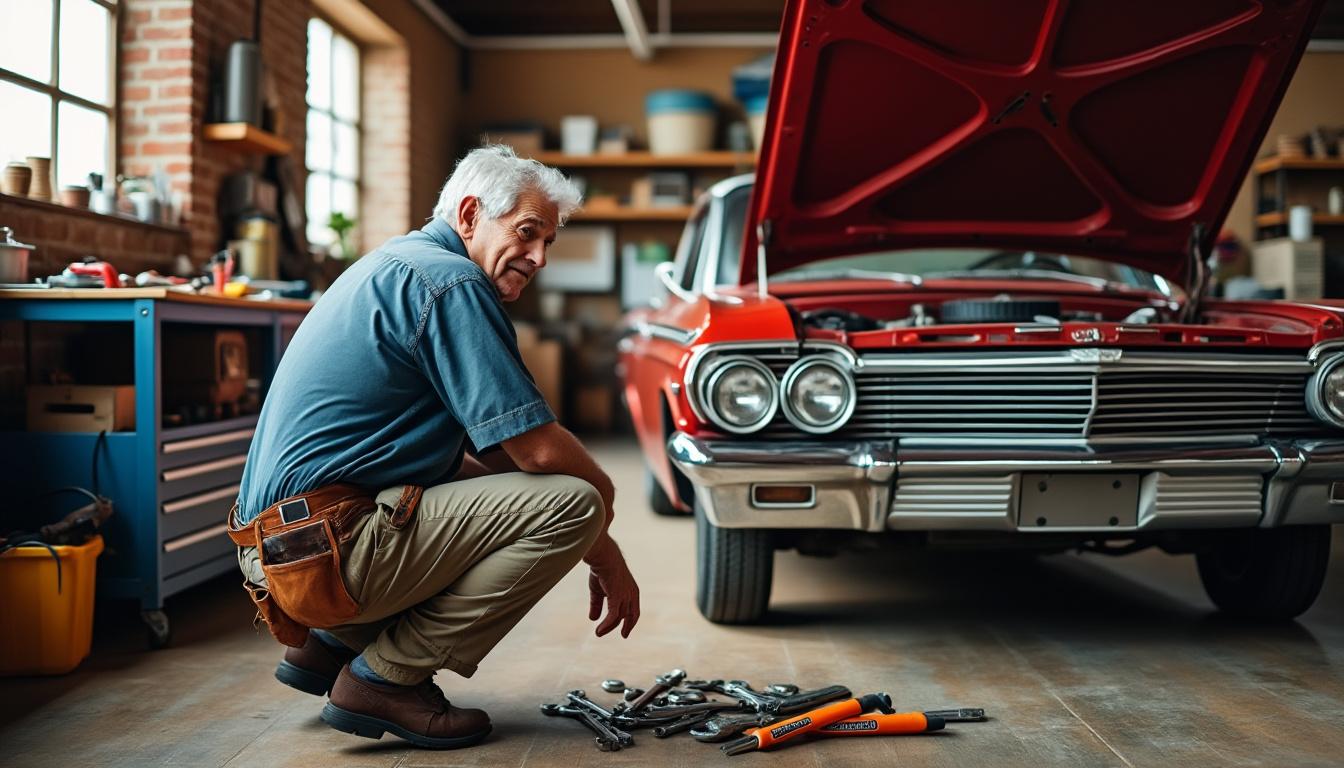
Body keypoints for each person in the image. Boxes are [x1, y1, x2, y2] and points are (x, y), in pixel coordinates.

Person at [231, 145, 640, 750]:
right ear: (470, 214)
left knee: (501, 494)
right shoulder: (450, 284)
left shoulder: (398, 263)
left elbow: (486, 461)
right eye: (528, 234)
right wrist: (603, 544)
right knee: (576, 500)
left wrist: (559, 516)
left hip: (278, 549)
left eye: (548, 242)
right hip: (322, 550)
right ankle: (385, 679)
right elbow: (540, 456)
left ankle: (332, 648)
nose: (539, 257)